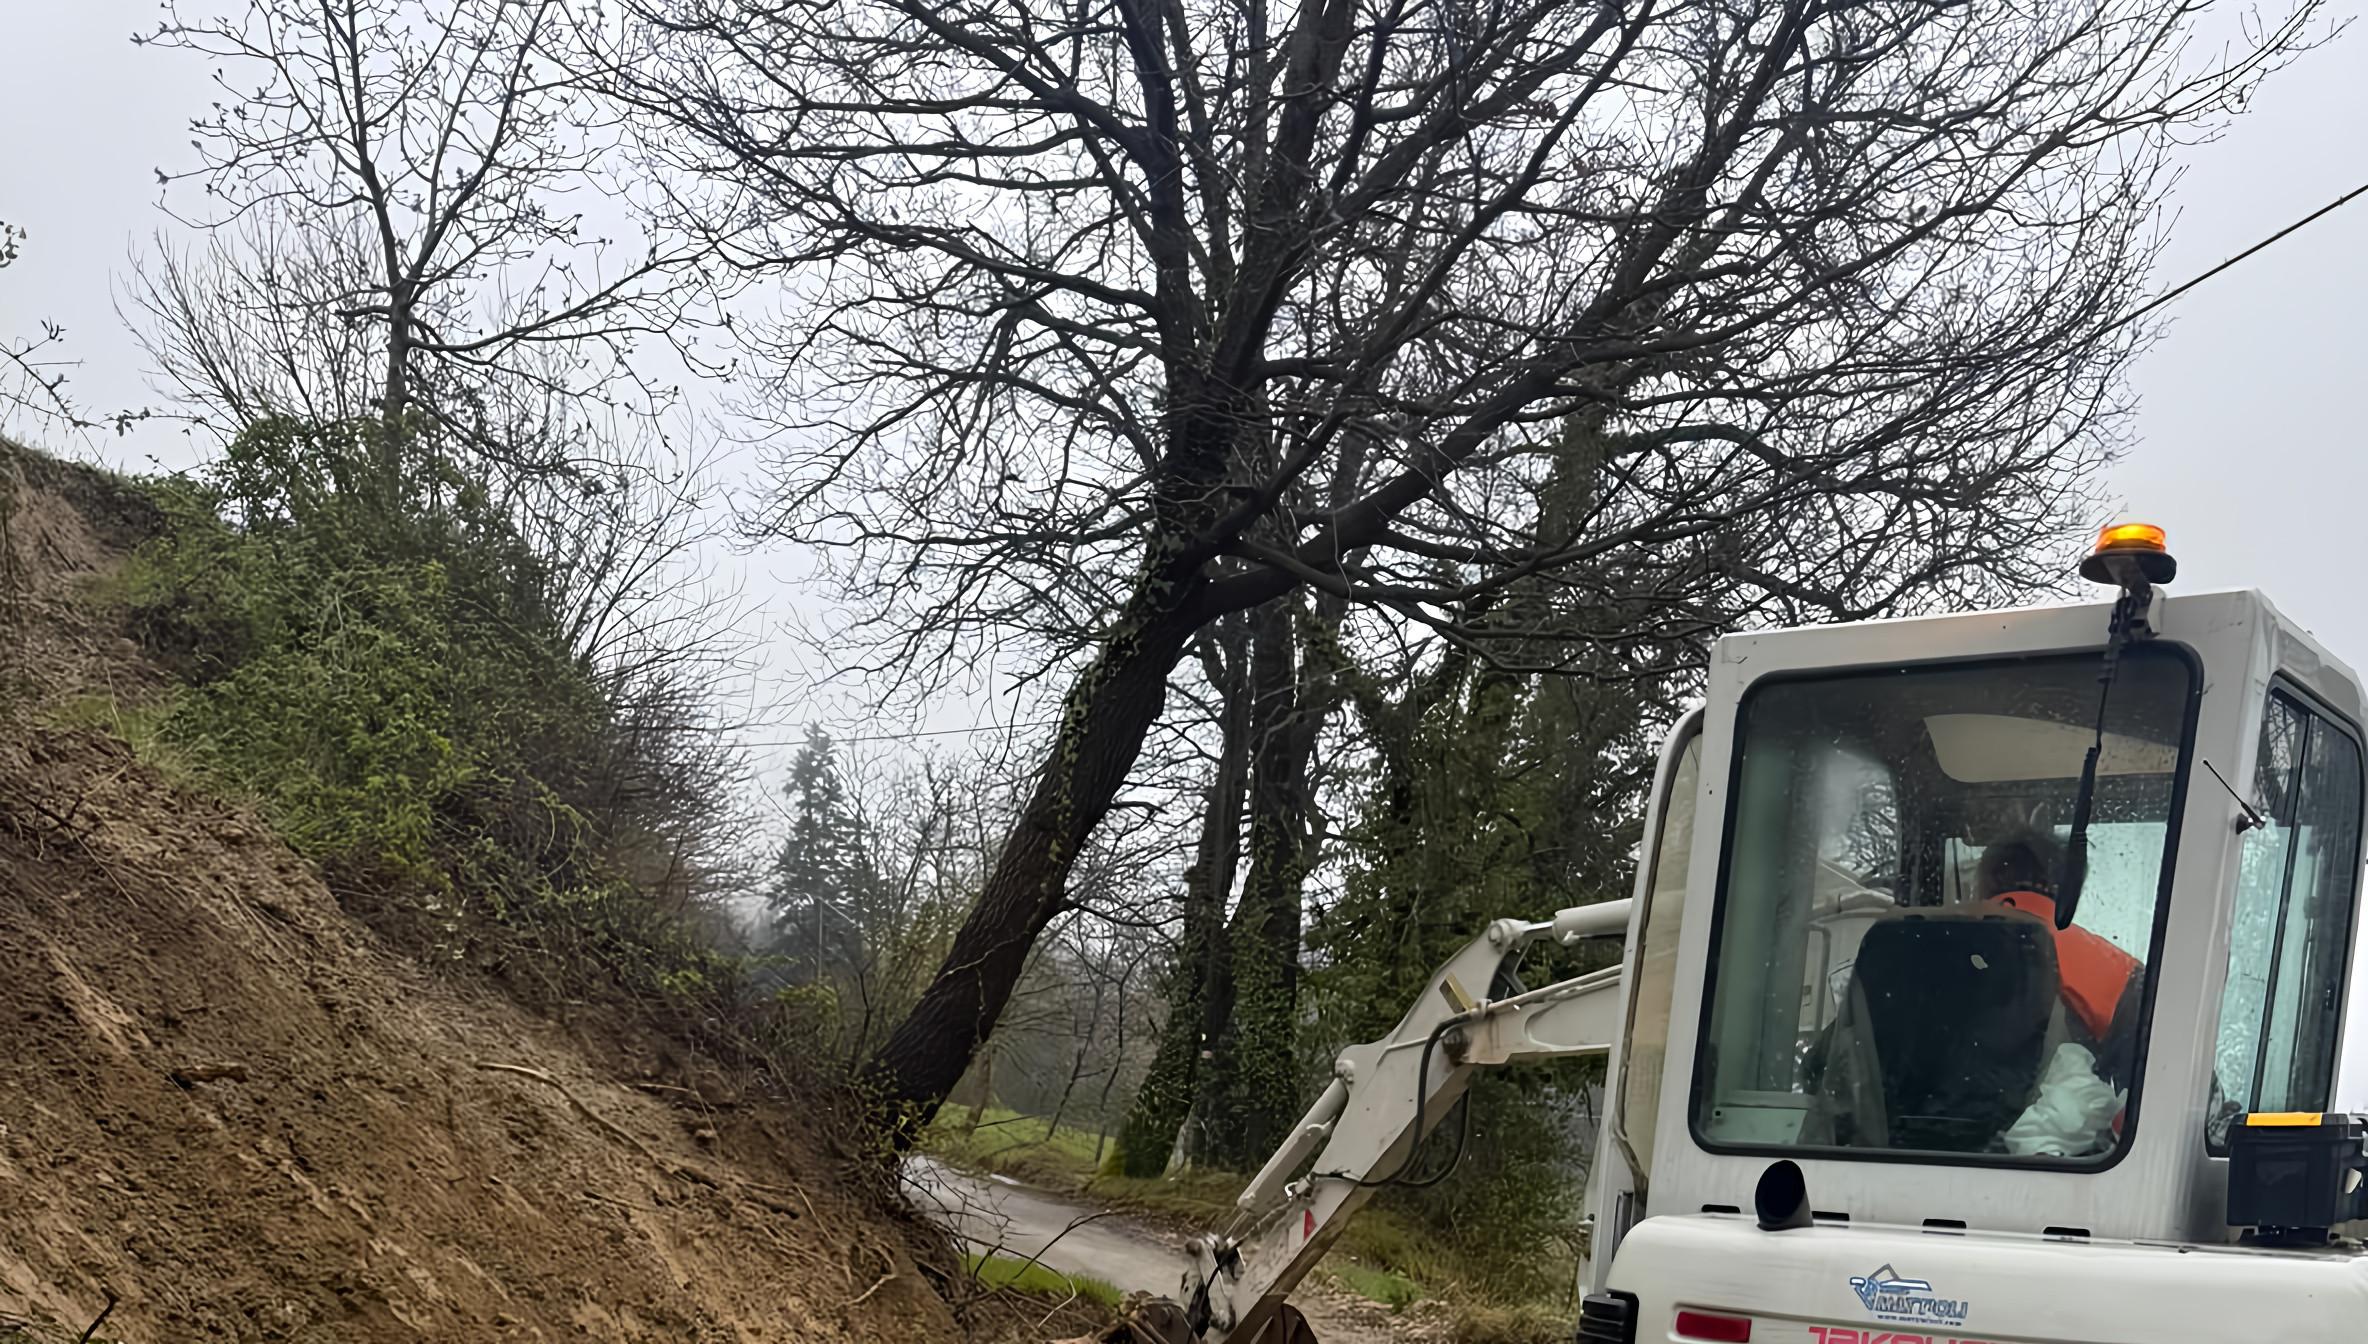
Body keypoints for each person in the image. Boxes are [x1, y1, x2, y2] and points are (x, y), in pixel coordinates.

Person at [1975, 831, 2144, 1086]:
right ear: (2069, 890)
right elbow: (2156, 1080)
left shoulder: (1924, 947)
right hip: (2061, 1123)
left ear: (1982, 884)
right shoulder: (2120, 973)